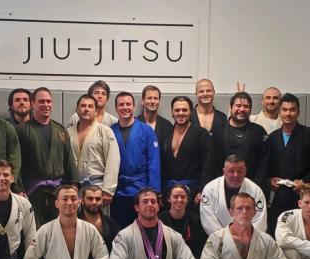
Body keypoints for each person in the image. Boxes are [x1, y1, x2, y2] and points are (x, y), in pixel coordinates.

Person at [17, 87, 78, 226]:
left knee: (57, 230)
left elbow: (69, 159)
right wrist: (19, 190)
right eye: (41, 101)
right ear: (33, 104)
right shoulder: (21, 130)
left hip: (57, 192)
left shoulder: (60, 130)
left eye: (49, 101)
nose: (46, 105)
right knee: (34, 232)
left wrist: (74, 184)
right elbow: (17, 163)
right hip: (32, 193)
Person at [266, 93, 310, 235]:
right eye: (284, 110)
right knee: (277, 232)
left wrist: (305, 182)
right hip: (279, 194)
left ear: (298, 112)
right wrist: (268, 180)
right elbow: (266, 164)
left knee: (302, 233)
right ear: (279, 112)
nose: (288, 113)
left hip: (302, 193)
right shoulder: (273, 137)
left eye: (292, 110)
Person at [110, 92, 161, 229]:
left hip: (141, 190)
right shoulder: (110, 131)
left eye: (128, 104)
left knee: (141, 230)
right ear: (116, 108)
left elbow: (153, 162)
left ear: (133, 107)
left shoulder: (146, 130)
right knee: (118, 230)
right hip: (117, 191)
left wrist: (154, 191)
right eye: (121, 104)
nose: (125, 107)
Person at [159, 95, 215, 207]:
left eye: (184, 110)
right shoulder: (166, 133)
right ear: (172, 113)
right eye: (177, 110)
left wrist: (203, 190)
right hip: (169, 192)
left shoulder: (201, 134)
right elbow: (161, 165)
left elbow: (208, 165)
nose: (181, 113)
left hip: (193, 193)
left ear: (191, 112)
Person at [67, 94, 120, 208]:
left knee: (97, 218)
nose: (86, 109)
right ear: (77, 110)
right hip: (74, 187)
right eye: (83, 106)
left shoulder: (105, 131)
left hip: (97, 187)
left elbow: (113, 160)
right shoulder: (68, 133)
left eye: (90, 106)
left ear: (96, 111)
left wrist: (108, 190)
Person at [200, 155, 267, 237]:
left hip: (248, 240)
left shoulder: (256, 191)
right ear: (224, 171)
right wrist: (225, 239)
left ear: (245, 171)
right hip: (218, 240)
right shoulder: (210, 189)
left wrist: (245, 239)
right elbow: (208, 220)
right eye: (231, 171)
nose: (236, 175)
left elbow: (260, 221)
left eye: (239, 171)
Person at [212, 92, 269, 187]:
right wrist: (220, 184)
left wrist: (255, 185)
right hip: (221, 186)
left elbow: (264, 163)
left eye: (246, 106)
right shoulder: (217, 131)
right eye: (238, 105)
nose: (242, 109)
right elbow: (211, 161)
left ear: (250, 109)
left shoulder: (259, 132)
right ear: (230, 108)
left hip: (252, 186)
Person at [158, 185, 207, 259]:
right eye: (175, 197)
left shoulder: (195, 220)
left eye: (183, 197)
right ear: (169, 199)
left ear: (187, 200)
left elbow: (199, 247)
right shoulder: (160, 220)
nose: (179, 200)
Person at [79, 185, 120, 253]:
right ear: (82, 201)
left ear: (102, 201)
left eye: (98, 199)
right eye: (90, 198)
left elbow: (116, 250)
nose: (94, 202)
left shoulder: (111, 224)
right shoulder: (73, 223)